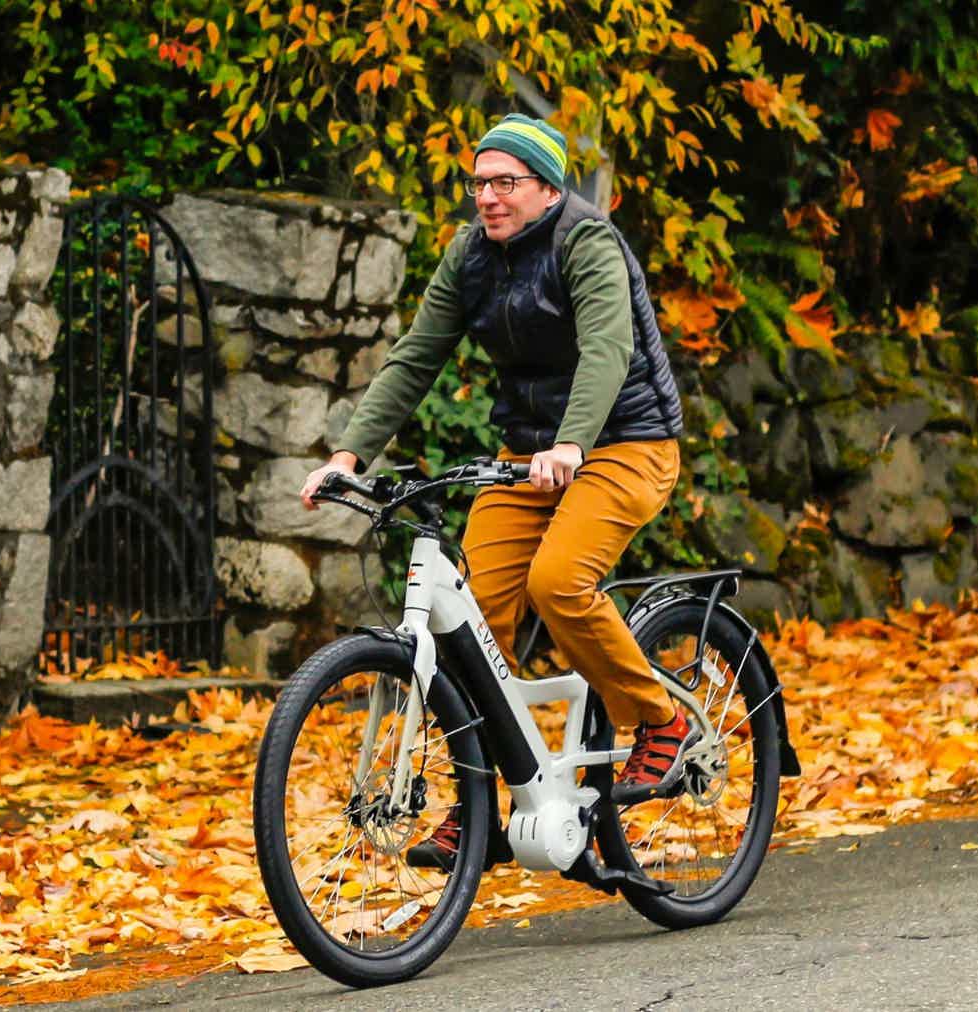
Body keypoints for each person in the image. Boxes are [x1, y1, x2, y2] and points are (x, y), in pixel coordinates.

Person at [298, 113, 696, 870]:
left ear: (547, 189)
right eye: (479, 182)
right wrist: (348, 454)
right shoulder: (471, 256)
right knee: (475, 625)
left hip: (626, 444)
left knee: (559, 581)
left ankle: (659, 720)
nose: (487, 197)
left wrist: (575, 442)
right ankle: (481, 802)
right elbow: (416, 358)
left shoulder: (587, 244)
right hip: (529, 457)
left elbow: (609, 348)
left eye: (504, 182)